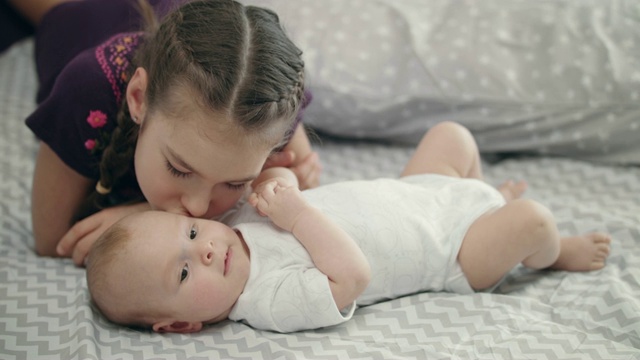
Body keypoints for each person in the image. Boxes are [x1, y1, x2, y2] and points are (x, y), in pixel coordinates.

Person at [85, 121, 611, 333]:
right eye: (182, 276)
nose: (201, 251)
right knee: (532, 222)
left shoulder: (229, 223)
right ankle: (551, 252)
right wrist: (296, 213)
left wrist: (277, 180)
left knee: (451, 136)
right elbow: (351, 277)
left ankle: (487, 198)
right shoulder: (266, 300)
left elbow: (281, 180)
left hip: (416, 193)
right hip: (451, 252)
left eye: (191, 235)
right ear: (180, 326)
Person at [12, 0, 322, 265]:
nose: (199, 209)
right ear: (137, 99)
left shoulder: (260, 101)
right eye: (179, 168)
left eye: (235, 183)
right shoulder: (88, 91)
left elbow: (300, 178)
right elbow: (53, 242)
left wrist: (141, 215)